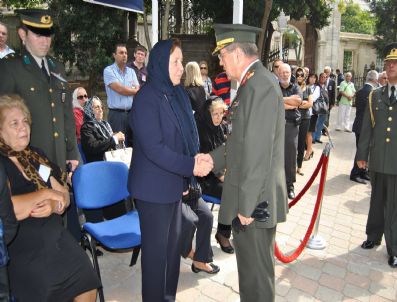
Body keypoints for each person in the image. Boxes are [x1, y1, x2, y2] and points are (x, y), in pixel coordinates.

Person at [127, 38, 213, 302]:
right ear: (161, 63)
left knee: (172, 251)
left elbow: (186, 136)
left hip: (174, 187)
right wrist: (191, 165)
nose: (180, 67)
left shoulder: (176, 94)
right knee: (156, 258)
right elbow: (155, 149)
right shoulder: (146, 98)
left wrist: (196, 157)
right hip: (152, 192)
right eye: (175, 62)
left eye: (181, 61)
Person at [209, 23, 288, 302]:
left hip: (256, 202)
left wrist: (247, 205)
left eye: (222, 55)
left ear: (237, 54)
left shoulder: (260, 85)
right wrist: (211, 159)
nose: (219, 61)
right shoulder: (250, 84)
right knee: (250, 274)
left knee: (257, 278)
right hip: (251, 198)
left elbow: (258, 152)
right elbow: (240, 142)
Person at [0, 94, 100, 301]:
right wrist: (45, 194)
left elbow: (64, 194)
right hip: (22, 243)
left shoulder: (35, 156)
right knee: (46, 289)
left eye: (25, 121)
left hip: (55, 236)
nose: (23, 127)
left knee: (87, 281)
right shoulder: (2, 164)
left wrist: (56, 203)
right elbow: (8, 209)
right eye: (14, 123)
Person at [0, 9, 79, 171]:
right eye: (38, 35)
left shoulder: (57, 67)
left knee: (62, 195)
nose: (45, 42)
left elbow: (66, 114)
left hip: (59, 157)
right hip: (28, 160)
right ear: (23, 35)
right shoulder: (10, 67)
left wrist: (72, 152)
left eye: (48, 35)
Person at [357, 43, 397, 267]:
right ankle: (373, 236)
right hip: (378, 158)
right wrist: (362, 155)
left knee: (394, 206)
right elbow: (367, 129)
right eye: (389, 63)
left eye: (395, 63)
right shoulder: (375, 96)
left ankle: (394, 248)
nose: (390, 66)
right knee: (376, 201)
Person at [195, 96, 234, 254]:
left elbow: (224, 153)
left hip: (218, 173)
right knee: (231, 191)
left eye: (221, 113)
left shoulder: (218, 128)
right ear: (207, 114)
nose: (219, 117)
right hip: (203, 179)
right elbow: (205, 160)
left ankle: (234, 228)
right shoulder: (200, 130)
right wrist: (224, 175)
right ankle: (222, 234)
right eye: (215, 114)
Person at [103, 43, 139, 147]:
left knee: (133, 145)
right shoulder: (108, 71)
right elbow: (120, 89)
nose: (124, 55)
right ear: (114, 55)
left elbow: (137, 88)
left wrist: (129, 89)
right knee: (118, 146)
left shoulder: (131, 72)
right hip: (116, 115)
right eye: (121, 53)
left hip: (131, 114)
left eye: (126, 53)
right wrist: (132, 90)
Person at [279, 63, 303, 200]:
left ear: (290, 73)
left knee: (290, 155)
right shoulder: (274, 87)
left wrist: (280, 100)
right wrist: (289, 103)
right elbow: (272, 103)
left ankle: (289, 186)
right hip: (276, 125)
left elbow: (298, 101)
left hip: (291, 126)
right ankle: (276, 185)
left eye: (286, 72)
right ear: (278, 73)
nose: (284, 74)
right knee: (276, 155)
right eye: (282, 72)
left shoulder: (296, 87)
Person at [350, 70, 378, 184]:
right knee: (361, 151)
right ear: (374, 79)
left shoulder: (361, 90)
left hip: (359, 125)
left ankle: (362, 171)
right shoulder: (372, 92)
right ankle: (355, 173)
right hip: (364, 126)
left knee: (363, 150)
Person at [180, 193, 220, 274]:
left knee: (207, 217)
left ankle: (200, 260)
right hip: (173, 195)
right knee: (189, 221)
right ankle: (188, 251)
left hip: (192, 191)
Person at [80, 96, 125, 163]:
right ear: (89, 110)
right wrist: (114, 138)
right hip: (99, 164)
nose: (101, 110)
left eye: (101, 107)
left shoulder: (105, 124)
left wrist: (118, 139)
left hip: (112, 159)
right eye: (97, 107)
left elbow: (108, 142)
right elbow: (93, 147)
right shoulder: (86, 127)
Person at [295, 68, 313, 176]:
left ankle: (299, 166)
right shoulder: (293, 87)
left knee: (301, 142)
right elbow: (292, 102)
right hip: (294, 117)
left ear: (305, 76)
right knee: (293, 142)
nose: (300, 76)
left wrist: (298, 103)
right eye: (298, 74)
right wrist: (302, 103)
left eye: (302, 75)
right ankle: (291, 165)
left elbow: (310, 103)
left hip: (305, 118)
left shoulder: (308, 89)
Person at [304, 73, 320, 161]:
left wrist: (304, 100)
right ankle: (310, 150)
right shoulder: (305, 86)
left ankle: (308, 152)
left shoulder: (317, 88)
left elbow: (313, 98)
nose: (313, 79)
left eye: (315, 78)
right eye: (311, 77)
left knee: (308, 133)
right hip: (304, 112)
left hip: (312, 113)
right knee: (305, 133)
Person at [313, 73, 329, 143]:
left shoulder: (325, 86)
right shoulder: (316, 86)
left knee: (321, 123)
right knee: (316, 123)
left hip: (324, 108)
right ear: (319, 78)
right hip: (318, 107)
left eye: (325, 77)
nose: (323, 78)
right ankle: (313, 138)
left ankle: (317, 137)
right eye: (322, 77)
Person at [323, 66, 336, 135]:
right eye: (325, 72)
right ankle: (320, 128)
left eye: (328, 72)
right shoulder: (321, 80)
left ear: (330, 73)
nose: (326, 73)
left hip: (329, 102)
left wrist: (333, 103)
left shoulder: (332, 82)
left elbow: (333, 93)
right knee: (321, 115)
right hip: (321, 101)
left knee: (327, 116)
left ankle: (325, 130)